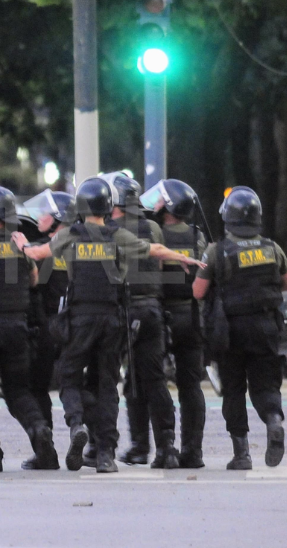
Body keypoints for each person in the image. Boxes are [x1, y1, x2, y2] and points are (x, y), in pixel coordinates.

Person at [17, 177, 203, 473]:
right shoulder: (117, 235)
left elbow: (37, 254)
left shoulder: (71, 234)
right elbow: (154, 249)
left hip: (81, 319)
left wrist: (22, 244)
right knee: (108, 384)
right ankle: (106, 454)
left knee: (69, 376)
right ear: (107, 205)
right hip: (114, 319)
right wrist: (182, 257)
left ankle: (77, 424)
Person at [193, 186, 287, 469]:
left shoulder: (216, 251)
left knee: (234, 390)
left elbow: (198, 292)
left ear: (228, 218)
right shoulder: (272, 248)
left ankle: (242, 454)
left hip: (230, 332)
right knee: (265, 384)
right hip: (266, 327)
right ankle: (273, 420)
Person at [0, 185, 57, 471]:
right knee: (18, 391)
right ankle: (39, 430)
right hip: (19, 328)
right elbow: (32, 281)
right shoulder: (22, 246)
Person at [102, 172, 178, 468]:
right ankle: (167, 446)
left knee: (130, 381)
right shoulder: (153, 228)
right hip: (153, 310)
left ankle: (137, 446)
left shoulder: (110, 230)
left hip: (126, 310)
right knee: (155, 380)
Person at [141, 178, 209, 467]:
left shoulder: (155, 235)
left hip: (162, 316)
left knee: (156, 382)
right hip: (192, 317)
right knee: (191, 385)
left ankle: (165, 449)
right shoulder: (198, 237)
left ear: (167, 206)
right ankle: (193, 451)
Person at [21, 190, 75, 441]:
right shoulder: (82, 247)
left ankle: (45, 446)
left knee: (36, 387)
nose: (39, 217)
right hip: (78, 326)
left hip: (47, 327)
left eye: (45, 213)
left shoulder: (41, 251)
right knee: (78, 385)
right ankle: (93, 442)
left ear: (57, 219)